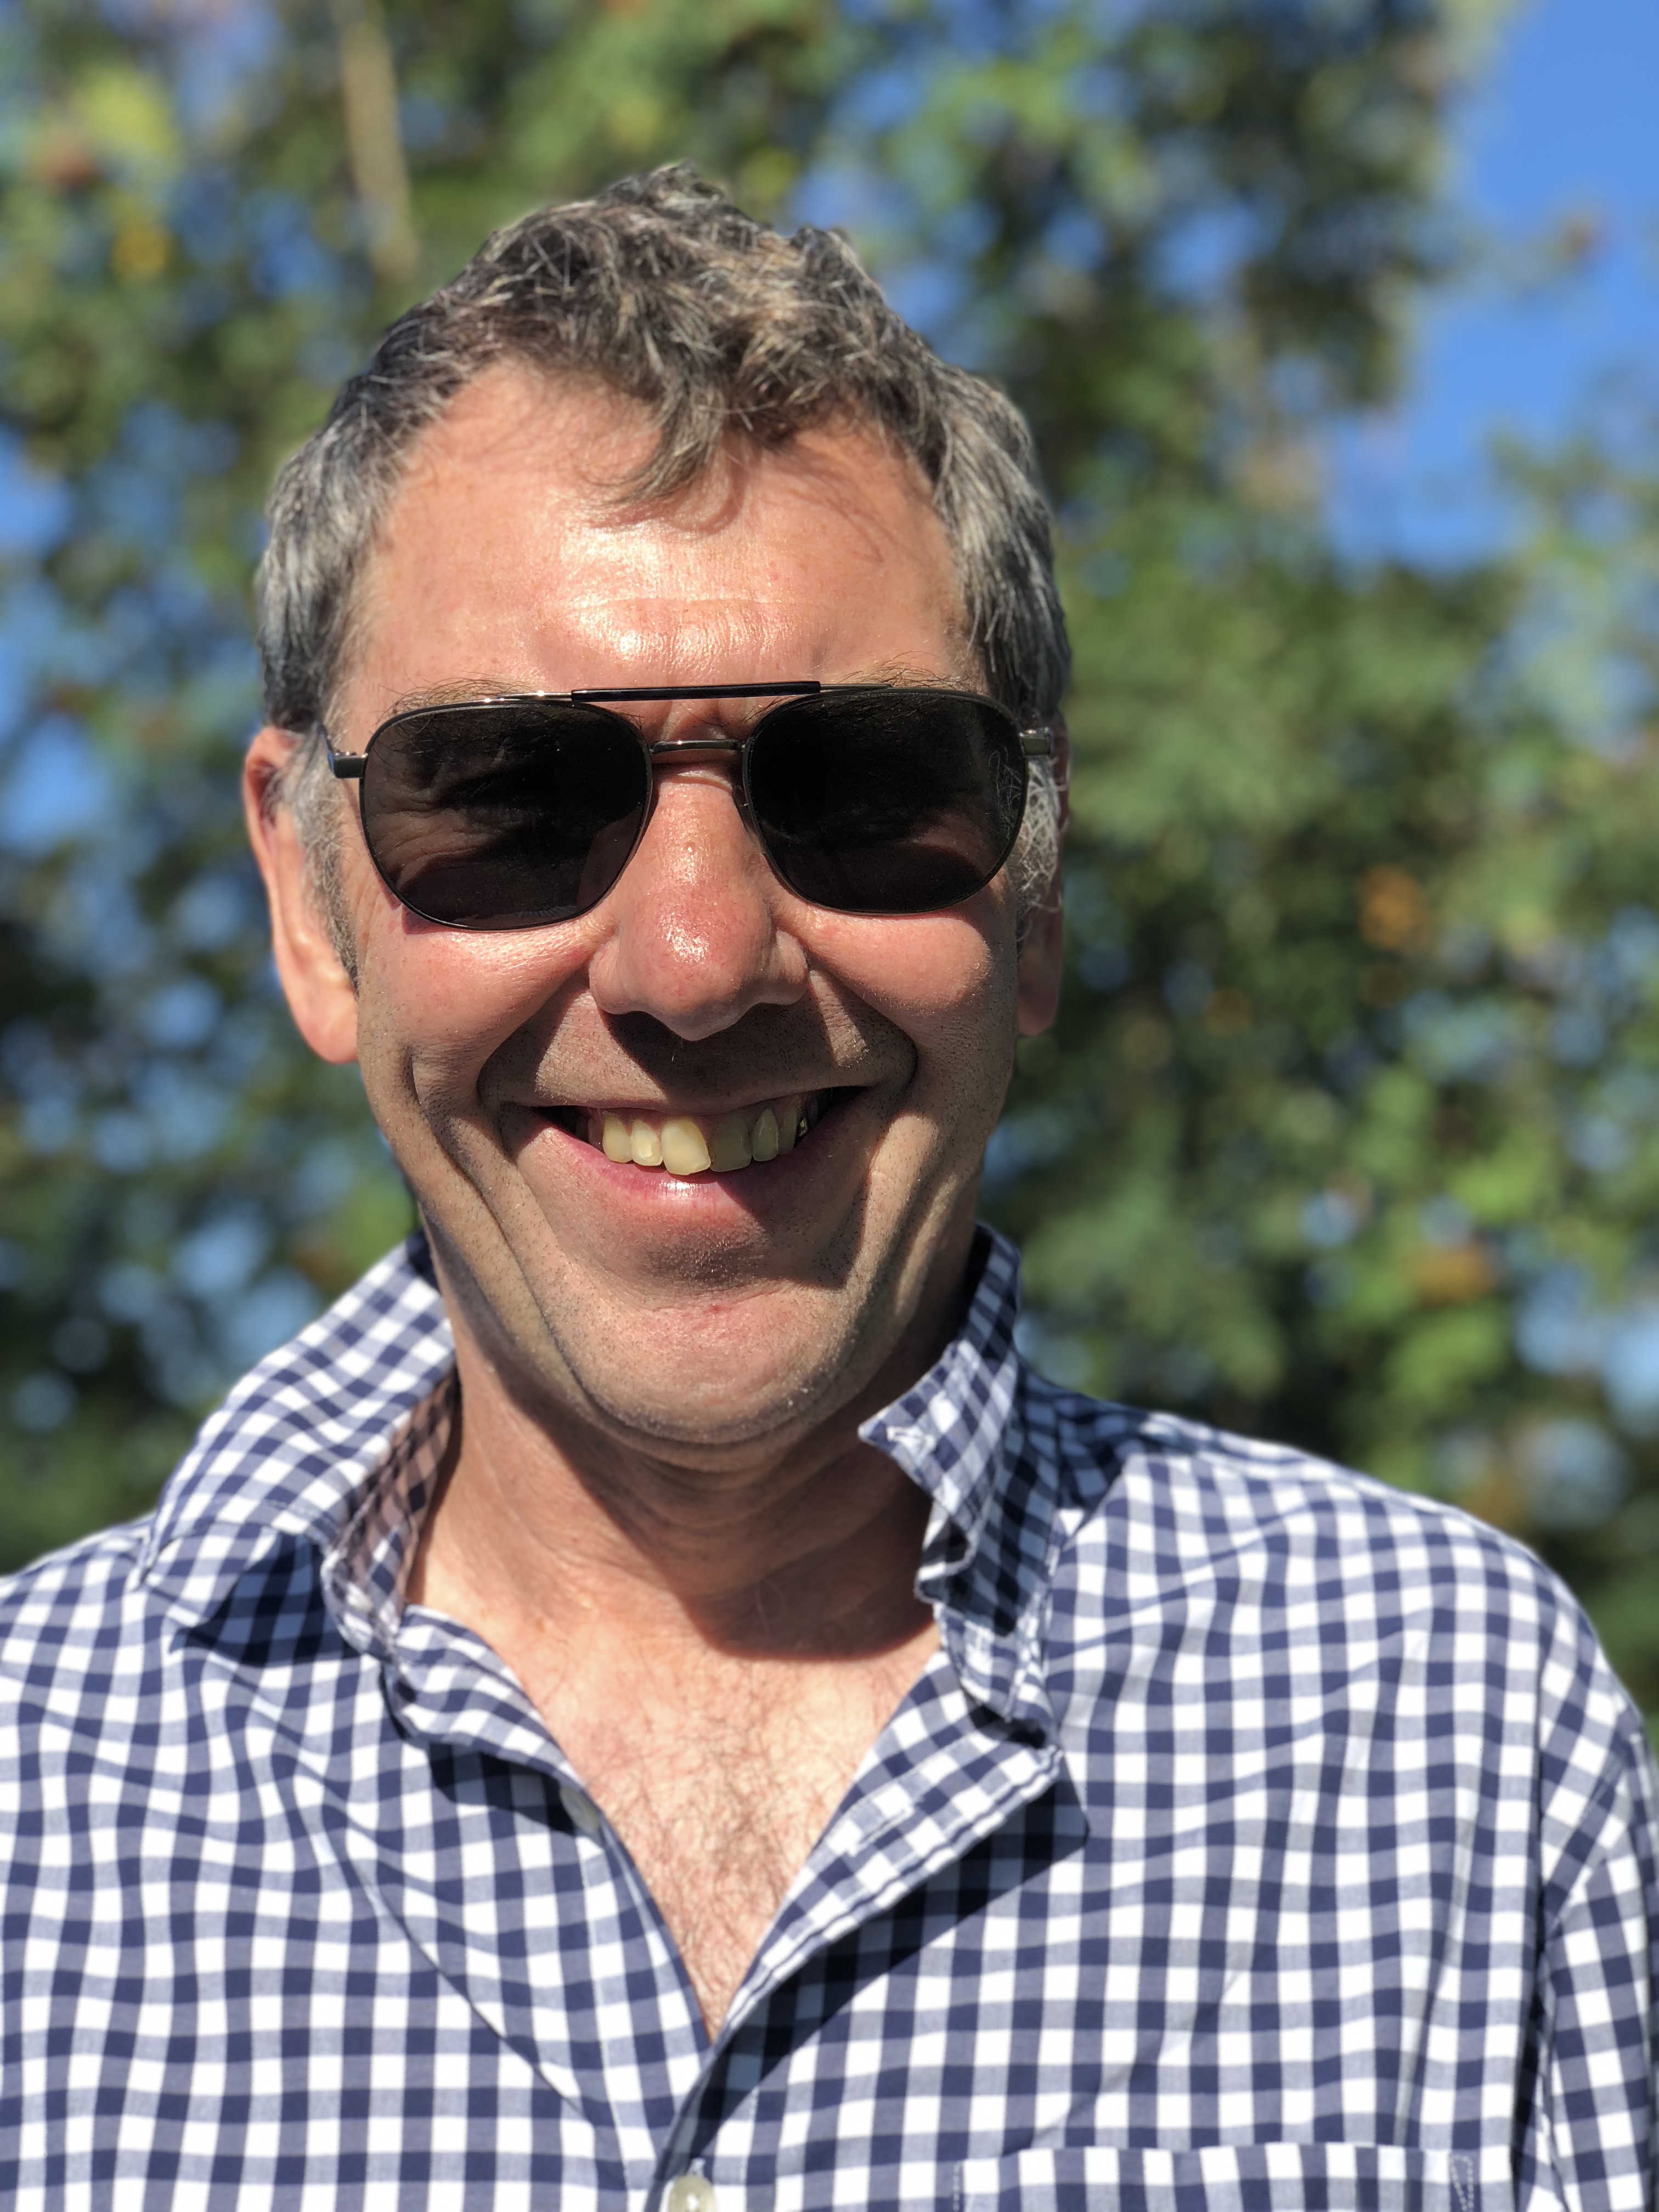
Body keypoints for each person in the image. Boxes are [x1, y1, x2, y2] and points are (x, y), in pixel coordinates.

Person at [0, 167, 1651, 2212]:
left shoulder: (1451, 1744)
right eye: (512, 799)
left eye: (865, 788)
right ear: (310, 900)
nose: (698, 964)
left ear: (1037, 890)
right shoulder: (33, 1801)